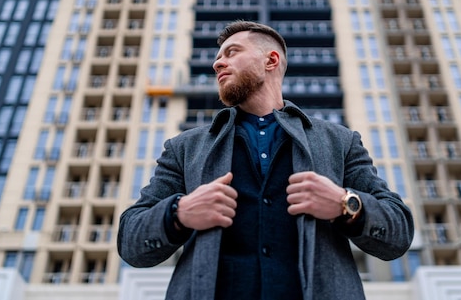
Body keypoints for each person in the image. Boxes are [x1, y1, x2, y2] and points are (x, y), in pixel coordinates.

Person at [118, 20, 414, 299]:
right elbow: (131, 240)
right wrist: (179, 213)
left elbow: (398, 234)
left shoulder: (340, 142)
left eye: (231, 52)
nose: (217, 63)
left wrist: (345, 204)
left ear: (270, 61)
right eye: (218, 57)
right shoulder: (184, 148)